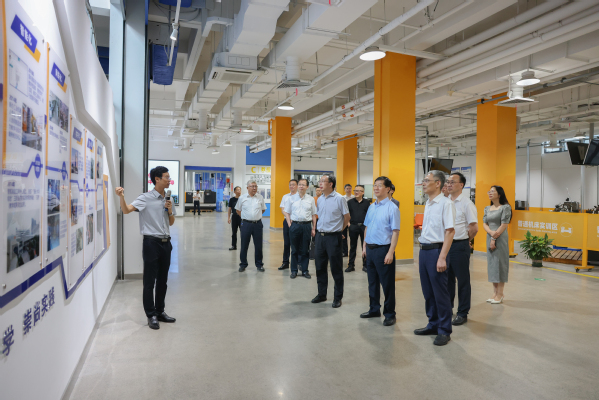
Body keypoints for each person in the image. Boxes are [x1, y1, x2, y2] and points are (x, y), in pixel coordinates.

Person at [115, 166, 177, 330]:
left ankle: (160, 311)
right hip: (151, 243)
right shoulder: (145, 198)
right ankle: (151, 315)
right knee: (149, 281)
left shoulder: (168, 199)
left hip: (166, 243)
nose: (169, 180)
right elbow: (126, 210)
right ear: (157, 179)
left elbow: (171, 222)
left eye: (169, 177)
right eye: (166, 177)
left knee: (163, 281)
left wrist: (170, 210)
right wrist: (122, 197)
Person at [415, 170, 455, 346]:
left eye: (426, 180)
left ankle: (444, 330)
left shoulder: (446, 204)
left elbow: (450, 231)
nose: (423, 183)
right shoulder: (429, 203)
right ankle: (433, 324)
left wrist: (442, 257)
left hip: (437, 251)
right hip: (424, 251)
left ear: (438, 183)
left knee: (440, 293)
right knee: (428, 292)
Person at [361, 177, 400, 326]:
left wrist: (390, 252)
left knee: (387, 284)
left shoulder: (392, 208)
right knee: (372, 282)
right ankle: (374, 309)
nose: (376, 188)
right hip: (370, 249)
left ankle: (390, 314)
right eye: (374, 185)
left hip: (383, 250)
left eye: (379, 185)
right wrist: (364, 247)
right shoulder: (371, 207)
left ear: (388, 189)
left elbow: (395, 232)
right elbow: (367, 227)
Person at [312, 174, 350, 308]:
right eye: (320, 181)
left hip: (333, 237)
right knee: (320, 267)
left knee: (336, 268)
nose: (320, 183)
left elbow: (347, 217)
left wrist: (339, 230)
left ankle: (337, 297)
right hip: (320, 237)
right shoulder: (320, 199)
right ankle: (322, 294)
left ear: (331, 184)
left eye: (323, 181)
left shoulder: (339, 198)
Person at [446, 172, 478, 326]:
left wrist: (466, 240)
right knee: (447, 280)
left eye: (452, 182)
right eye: (448, 182)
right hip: (446, 246)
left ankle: (462, 312)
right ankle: (448, 307)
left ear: (461, 185)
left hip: (459, 246)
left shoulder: (467, 204)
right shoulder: (446, 202)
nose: (449, 184)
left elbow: (474, 228)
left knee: (463, 280)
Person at [483, 185, 512, 304]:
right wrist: (490, 233)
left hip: (500, 238)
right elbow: (484, 223)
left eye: (492, 191)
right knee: (492, 265)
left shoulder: (505, 208)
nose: (490, 193)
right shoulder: (487, 208)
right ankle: (495, 293)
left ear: (499, 194)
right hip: (490, 236)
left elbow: (504, 224)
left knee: (500, 264)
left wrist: (494, 237)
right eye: (489, 191)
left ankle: (500, 293)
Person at [284, 179, 317, 279]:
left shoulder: (311, 199)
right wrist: (289, 223)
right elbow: (287, 212)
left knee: (305, 250)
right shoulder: (291, 198)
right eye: (300, 184)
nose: (301, 186)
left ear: (307, 187)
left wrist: (313, 228)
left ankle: (305, 270)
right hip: (295, 225)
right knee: (294, 249)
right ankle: (294, 271)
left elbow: (313, 214)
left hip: (306, 226)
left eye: (303, 185)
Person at [235, 180, 267, 272]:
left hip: (258, 224)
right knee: (244, 245)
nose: (254, 188)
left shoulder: (260, 197)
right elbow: (238, 210)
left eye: (255, 186)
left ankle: (259, 264)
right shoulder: (242, 198)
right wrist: (246, 217)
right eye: (252, 186)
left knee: (258, 245)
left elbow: (263, 209)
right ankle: (243, 264)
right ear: (247, 188)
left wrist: (256, 216)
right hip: (246, 224)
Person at [346, 185, 370, 272]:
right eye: (355, 190)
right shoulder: (350, 202)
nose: (356, 192)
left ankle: (365, 265)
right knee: (353, 246)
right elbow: (346, 214)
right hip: (353, 226)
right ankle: (351, 265)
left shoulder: (367, 203)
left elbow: (369, 215)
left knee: (364, 246)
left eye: (359, 191)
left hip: (364, 227)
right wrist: (348, 224)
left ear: (363, 192)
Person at [278, 179, 298, 271]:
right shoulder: (285, 197)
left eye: (293, 184)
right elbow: (283, 209)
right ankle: (285, 262)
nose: (291, 186)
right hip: (287, 221)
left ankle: (298, 263)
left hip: (297, 222)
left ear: (297, 186)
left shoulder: (300, 196)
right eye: (290, 185)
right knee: (287, 243)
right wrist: (288, 218)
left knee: (297, 243)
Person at [342, 184, 354, 257]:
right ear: (344, 189)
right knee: (344, 236)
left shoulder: (354, 198)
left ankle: (352, 252)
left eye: (350, 188)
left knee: (352, 237)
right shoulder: (342, 198)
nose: (348, 190)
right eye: (347, 188)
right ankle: (345, 251)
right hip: (344, 219)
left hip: (352, 220)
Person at [228, 186, 242, 250]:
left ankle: (243, 246)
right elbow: (229, 209)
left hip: (241, 217)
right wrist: (229, 218)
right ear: (234, 192)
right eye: (237, 190)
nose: (239, 191)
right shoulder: (232, 199)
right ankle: (234, 246)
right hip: (234, 217)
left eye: (240, 190)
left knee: (243, 232)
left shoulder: (242, 199)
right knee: (234, 232)